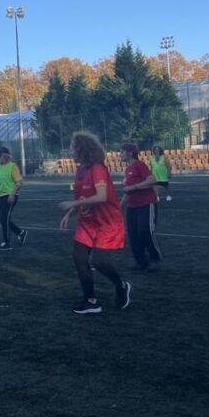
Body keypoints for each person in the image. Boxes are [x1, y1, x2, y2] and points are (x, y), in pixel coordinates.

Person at [58, 132, 131, 314]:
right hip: (87, 223)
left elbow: (101, 197)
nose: (70, 152)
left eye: (73, 149)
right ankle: (91, 301)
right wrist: (70, 213)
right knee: (79, 259)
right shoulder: (79, 171)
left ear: (83, 150)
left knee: (99, 262)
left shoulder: (97, 168)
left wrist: (74, 204)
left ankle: (121, 285)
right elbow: (82, 197)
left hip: (107, 224)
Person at [120, 143, 163, 270]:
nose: (120, 154)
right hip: (132, 206)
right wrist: (119, 206)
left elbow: (152, 180)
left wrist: (134, 186)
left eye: (122, 152)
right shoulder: (127, 170)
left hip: (146, 204)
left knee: (145, 231)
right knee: (133, 234)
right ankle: (141, 262)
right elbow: (127, 191)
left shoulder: (139, 165)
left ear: (130, 153)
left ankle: (155, 257)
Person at [0, 146, 27, 250]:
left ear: (5, 156)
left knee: (4, 219)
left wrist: (12, 194)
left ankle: (6, 243)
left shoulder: (12, 166)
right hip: (0, 196)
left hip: (10, 196)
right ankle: (21, 233)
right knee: (3, 220)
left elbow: (19, 183)